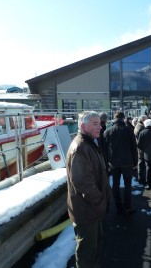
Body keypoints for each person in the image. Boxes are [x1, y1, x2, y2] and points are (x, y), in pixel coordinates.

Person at [66, 111, 112, 267]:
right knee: (87, 252)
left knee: (95, 248)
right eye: (95, 124)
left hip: (92, 210)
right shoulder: (80, 148)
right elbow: (82, 182)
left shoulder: (89, 144)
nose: (100, 126)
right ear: (82, 126)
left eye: (99, 123)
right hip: (87, 210)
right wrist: (100, 200)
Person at [104, 111, 138, 215]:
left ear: (114, 119)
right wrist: (135, 162)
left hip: (113, 163)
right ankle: (127, 206)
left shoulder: (108, 131)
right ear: (123, 118)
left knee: (115, 184)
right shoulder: (129, 130)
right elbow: (134, 148)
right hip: (127, 162)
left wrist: (107, 163)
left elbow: (105, 150)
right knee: (128, 185)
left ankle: (118, 206)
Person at [134, 115, 148, 185]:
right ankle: (141, 179)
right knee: (141, 163)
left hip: (140, 147)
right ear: (143, 120)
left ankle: (141, 178)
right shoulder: (140, 127)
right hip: (141, 148)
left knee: (141, 163)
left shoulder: (138, 126)